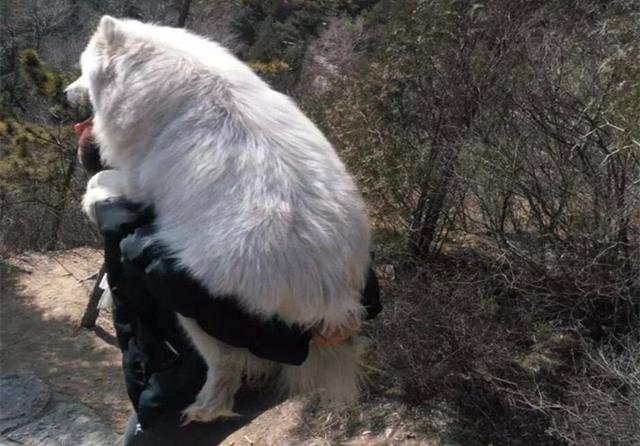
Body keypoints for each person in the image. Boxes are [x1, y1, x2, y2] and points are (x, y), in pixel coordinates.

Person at [75, 122, 382, 445]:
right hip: (292, 358)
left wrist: (299, 338)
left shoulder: (134, 223)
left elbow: (183, 284)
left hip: (222, 375)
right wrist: (358, 301)